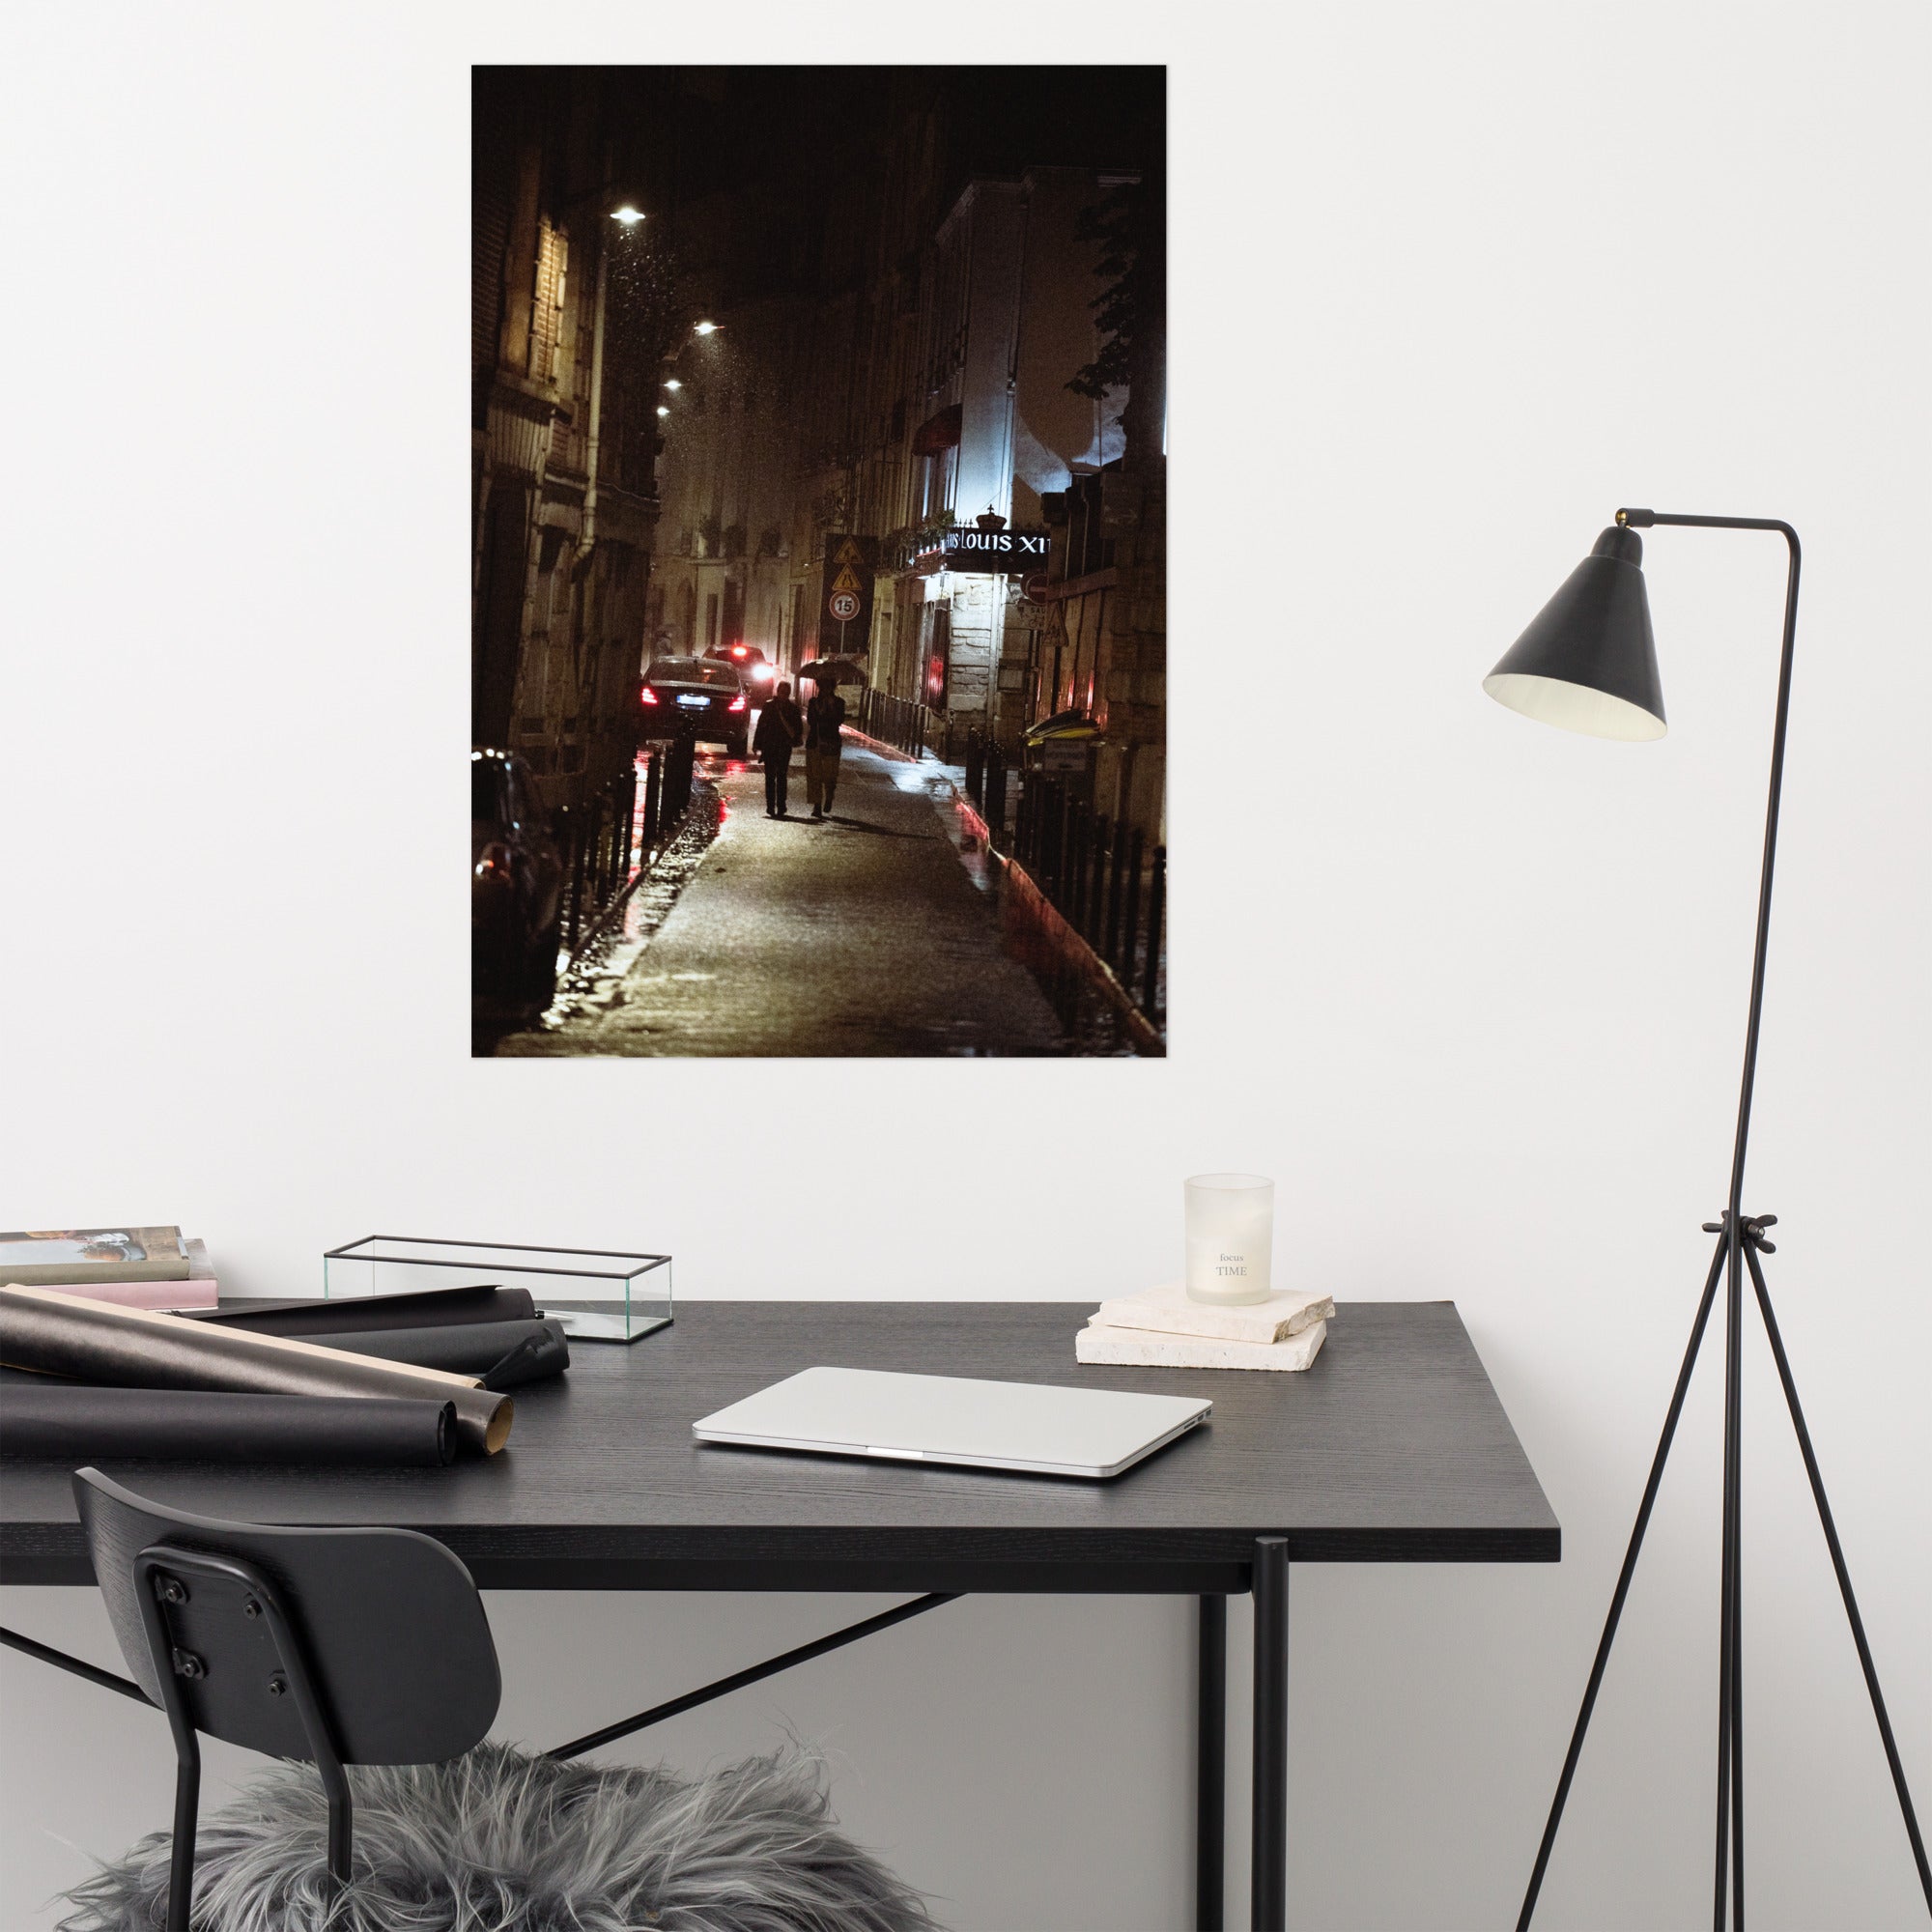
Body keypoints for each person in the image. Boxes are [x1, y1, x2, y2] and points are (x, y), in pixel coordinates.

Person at [753, 679, 803, 818]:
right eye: (782, 692)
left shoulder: (793, 709)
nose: (783, 695)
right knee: (770, 777)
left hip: (784, 746)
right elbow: (761, 725)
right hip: (770, 745)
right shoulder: (769, 706)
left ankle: (781, 805)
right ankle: (770, 805)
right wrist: (757, 743)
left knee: (781, 776)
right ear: (778, 691)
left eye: (786, 693)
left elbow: (797, 730)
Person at [804, 677, 847, 819]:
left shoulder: (839, 703)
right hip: (815, 742)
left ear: (832, 688)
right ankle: (817, 806)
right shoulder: (813, 702)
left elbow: (839, 720)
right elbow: (810, 720)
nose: (824, 691)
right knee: (815, 775)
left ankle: (829, 797)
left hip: (831, 742)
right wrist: (819, 710)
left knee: (830, 775)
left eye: (827, 688)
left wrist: (831, 708)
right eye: (822, 688)